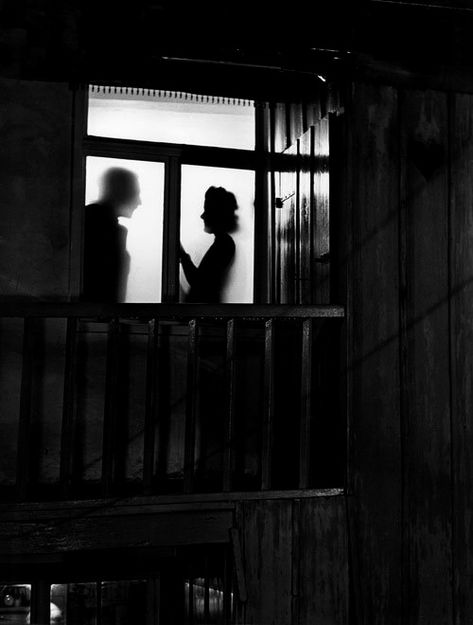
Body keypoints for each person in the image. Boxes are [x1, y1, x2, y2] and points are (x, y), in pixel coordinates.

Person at [82, 167, 141, 302]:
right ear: (122, 191)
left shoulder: (88, 222)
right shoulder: (106, 231)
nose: (139, 202)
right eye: (135, 193)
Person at [180, 186, 237, 302]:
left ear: (217, 214)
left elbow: (199, 282)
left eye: (207, 210)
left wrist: (182, 255)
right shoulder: (223, 243)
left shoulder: (224, 245)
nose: (202, 216)